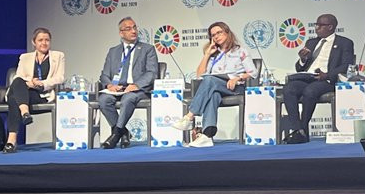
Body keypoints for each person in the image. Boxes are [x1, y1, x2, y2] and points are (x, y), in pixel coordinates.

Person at [171, 21, 254, 147]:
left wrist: (237, 78)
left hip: (235, 87)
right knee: (213, 94)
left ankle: (189, 117)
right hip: (216, 86)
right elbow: (200, 75)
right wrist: (207, 54)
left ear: (227, 32)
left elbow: (253, 72)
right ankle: (207, 135)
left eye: (219, 33)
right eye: (213, 35)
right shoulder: (214, 55)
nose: (216, 36)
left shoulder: (240, 51)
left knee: (210, 81)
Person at [282, 13, 354, 143]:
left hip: (326, 80)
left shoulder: (344, 43)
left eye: (320, 25)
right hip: (307, 78)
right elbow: (299, 68)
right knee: (289, 88)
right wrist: (303, 59)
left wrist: (327, 75)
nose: (316, 28)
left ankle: (303, 128)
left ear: (330, 27)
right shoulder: (311, 42)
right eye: (316, 25)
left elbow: (346, 65)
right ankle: (298, 130)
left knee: (310, 91)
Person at [96, 16, 159, 149]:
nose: (133, 31)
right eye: (128, 28)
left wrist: (136, 85)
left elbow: (152, 73)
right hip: (118, 88)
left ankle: (116, 134)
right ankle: (123, 132)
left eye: (135, 27)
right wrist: (110, 85)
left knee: (128, 98)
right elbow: (104, 74)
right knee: (103, 100)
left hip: (138, 89)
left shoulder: (147, 49)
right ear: (121, 33)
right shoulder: (113, 51)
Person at [3, 28, 67, 153]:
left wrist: (42, 83)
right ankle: (24, 113)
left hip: (43, 94)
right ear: (34, 42)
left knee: (13, 98)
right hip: (26, 91)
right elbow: (19, 76)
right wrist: (31, 83)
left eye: (47, 40)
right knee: (17, 81)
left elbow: (60, 78)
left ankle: (11, 140)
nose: (44, 43)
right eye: (40, 40)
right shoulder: (25, 57)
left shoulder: (58, 56)